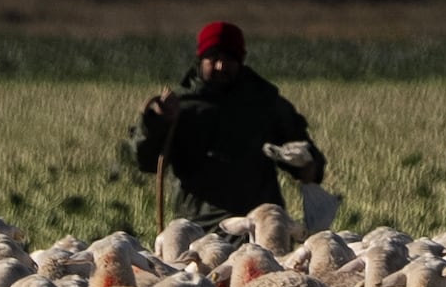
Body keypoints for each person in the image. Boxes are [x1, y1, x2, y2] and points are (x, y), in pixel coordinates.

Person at [126, 19, 327, 225]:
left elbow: (305, 157)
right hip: (198, 228)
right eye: (213, 58)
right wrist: (156, 122)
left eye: (229, 59)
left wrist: (308, 166)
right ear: (200, 59)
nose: (221, 66)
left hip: (257, 227)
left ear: (241, 60)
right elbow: (147, 162)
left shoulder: (264, 103)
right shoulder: (180, 106)